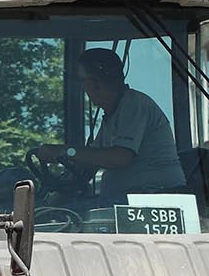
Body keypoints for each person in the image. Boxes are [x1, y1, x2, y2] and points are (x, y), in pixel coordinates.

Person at [34, 48, 188, 200]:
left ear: (96, 84)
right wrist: (58, 183)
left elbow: (120, 158)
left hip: (156, 203)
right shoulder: (113, 116)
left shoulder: (134, 105)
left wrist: (66, 151)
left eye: (82, 81)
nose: (82, 88)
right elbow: (88, 165)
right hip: (128, 203)